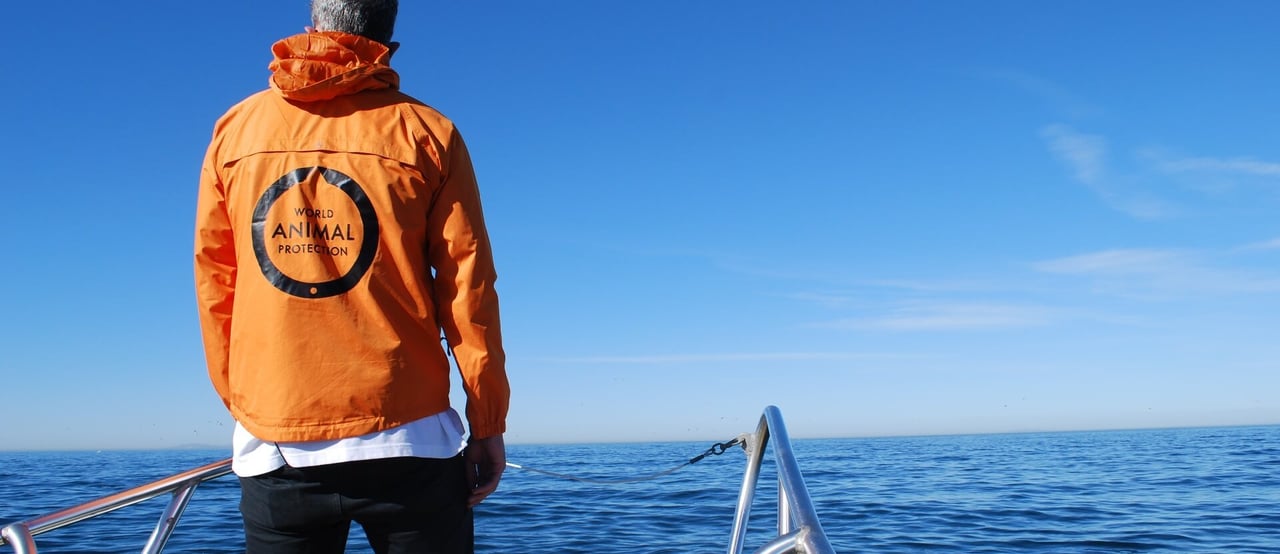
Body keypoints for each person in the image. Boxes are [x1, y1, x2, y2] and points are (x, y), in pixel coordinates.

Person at [193, 1, 509, 552]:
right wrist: (488, 421)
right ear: (388, 45)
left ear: (313, 28)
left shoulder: (235, 130)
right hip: (412, 439)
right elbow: (467, 289)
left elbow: (216, 281)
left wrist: (252, 403)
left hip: (276, 446)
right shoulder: (428, 132)